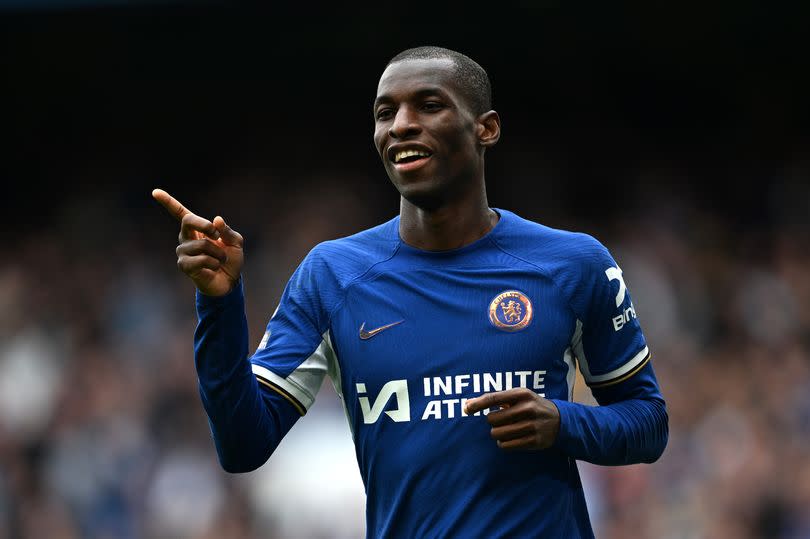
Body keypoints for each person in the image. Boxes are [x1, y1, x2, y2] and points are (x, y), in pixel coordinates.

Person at [153, 46, 668, 538]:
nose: (400, 125)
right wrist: (219, 304)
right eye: (385, 113)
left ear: (485, 128)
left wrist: (563, 422)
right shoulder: (333, 276)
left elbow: (648, 424)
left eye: (428, 105)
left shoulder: (571, 265)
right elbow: (243, 446)